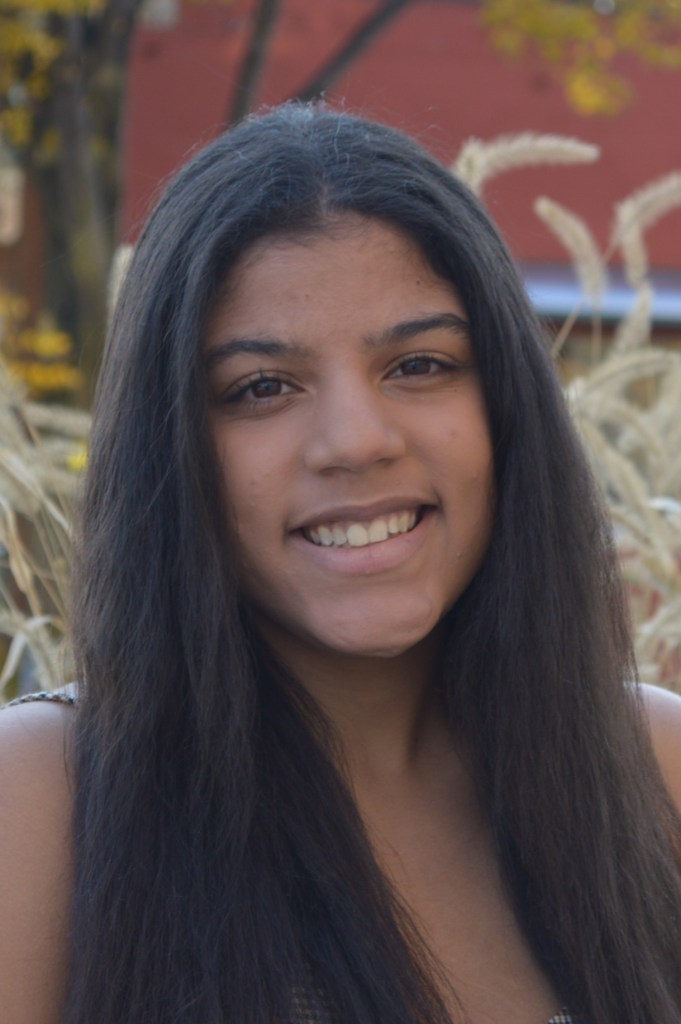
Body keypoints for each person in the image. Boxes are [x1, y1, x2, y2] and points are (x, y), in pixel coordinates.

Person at [1, 103, 680, 1024]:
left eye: (419, 365)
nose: (356, 441)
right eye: (261, 387)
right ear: (171, 448)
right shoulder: (41, 801)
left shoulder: (652, 770)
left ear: (507, 404)